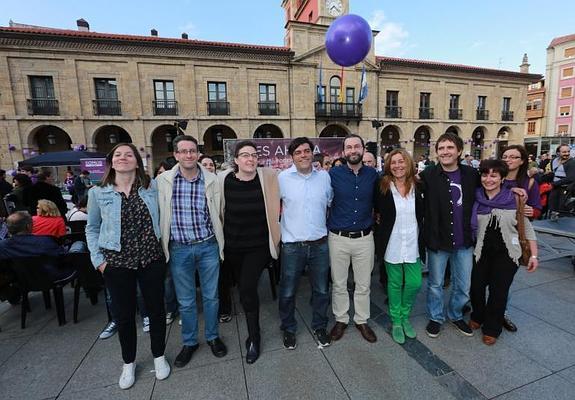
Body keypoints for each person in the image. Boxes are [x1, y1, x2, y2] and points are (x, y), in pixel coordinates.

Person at [86, 143, 170, 389]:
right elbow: (91, 228)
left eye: (129, 154)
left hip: (150, 259)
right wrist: (98, 261)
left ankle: (159, 355)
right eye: (118, 155)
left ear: (137, 161)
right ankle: (128, 362)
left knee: (156, 311)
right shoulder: (98, 192)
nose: (123, 158)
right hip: (116, 263)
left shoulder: (151, 188)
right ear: (111, 161)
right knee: (124, 316)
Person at [156, 135, 227, 368]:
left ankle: (213, 337)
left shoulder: (212, 180)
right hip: (179, 249)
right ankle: (189, 342)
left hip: (207, 245)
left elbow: (221, 211)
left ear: (198, 153)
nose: (188, 155)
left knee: (211, 296)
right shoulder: (163, 181)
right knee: (185, 301)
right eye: (183, 151)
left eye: (192, 151)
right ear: (176, 154)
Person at [218, 140, 280, 363]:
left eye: (254, 155)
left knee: (247, 289)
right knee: (238, 286)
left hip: (259, 246)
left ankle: (254, 337)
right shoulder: (223, 180)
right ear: (235, 160)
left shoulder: (268, 177)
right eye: (245, 155)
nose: (250, 159)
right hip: (232, 246)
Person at [470, 159, 538, 345]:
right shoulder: (476, 197)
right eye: (485, 175)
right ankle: (478, 315)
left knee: (498, 291)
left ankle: (492, 327)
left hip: (508, 254)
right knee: (476, 287)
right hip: (481, 252)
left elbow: (527, 228)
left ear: (502, 179)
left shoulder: (513, 198)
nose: (488, 179)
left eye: (494, 175)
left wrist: (533, 255)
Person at [419, 132, 478, 338]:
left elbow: (490, 190)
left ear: (459, 151)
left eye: (450, 147)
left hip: (464, 240)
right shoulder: (428, 175)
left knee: (463, 285)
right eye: (441, 148)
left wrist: (515, 191)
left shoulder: (471, 175)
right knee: (435, 284)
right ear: (437, 153)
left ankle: (455, 314)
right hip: (438, 239)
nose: (445, 152)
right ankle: (435, 317)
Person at [278, 137, 333, 349]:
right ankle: (288, 328)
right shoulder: (282, 178)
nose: (303, 155)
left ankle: (320, 326)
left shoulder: (324, 178)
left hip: (320, 244)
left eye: (307, 151)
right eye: (298, 152)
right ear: (292, 156)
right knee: (288, 290)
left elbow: (329, 203)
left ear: (312, 153)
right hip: (293, 246)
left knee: (320, 290)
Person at [328, 134, 379, 344]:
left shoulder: (373, 175)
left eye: (356, 146)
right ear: (343, 152)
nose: (353, 150)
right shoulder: (333, 174)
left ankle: (361, 320)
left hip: (365, 238)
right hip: (338, 238)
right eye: (348, 147)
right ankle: (341, 319)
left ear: (363, 148)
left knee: (363, 283)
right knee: (339, 283)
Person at [374, 149, 424, 345]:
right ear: (388, 166)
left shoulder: (419, 186)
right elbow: (374, 209)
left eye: (401, 161)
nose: (397, 166)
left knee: (414, 283)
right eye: (393, 162)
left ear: (408, 163)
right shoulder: (382, 187)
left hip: (413, 243)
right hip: (392, 244)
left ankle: (405, 315)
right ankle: (397, 321)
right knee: (394, 284)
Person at [0, 211, 77, 282]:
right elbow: (61, 257)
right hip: (51, 277)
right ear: (28, 226)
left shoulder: (3, 245)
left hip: (19, 279)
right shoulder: (44, 241)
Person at [548, 144, 575, 213]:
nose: (567, 154)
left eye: (568, 151)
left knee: (562, 209)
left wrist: (554, 184)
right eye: (564, 152)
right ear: (558, 153)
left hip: (565, 189)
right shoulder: (554, 161)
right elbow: (553, 173)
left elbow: (571, 178)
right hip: (554, 188)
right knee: (552, 207)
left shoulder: (572, 162)